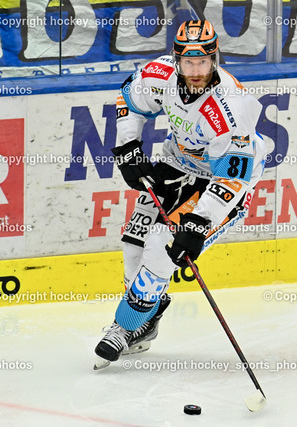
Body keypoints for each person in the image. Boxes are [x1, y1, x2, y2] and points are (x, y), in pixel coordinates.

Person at [94, 20, 266, 369]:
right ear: (177, 60)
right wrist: (128, 146)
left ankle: (125, 325)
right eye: (189, 62)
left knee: (162, 247)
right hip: (176, 164)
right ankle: (147, 316)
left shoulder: (232, 106)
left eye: (203, 61)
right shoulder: (160, 75)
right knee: (134, 242)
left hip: (223, 184)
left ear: (215, 59)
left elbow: (232, 177)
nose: (196, 70)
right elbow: (129, 99)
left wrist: (199, 223)